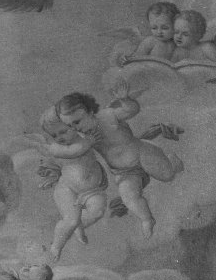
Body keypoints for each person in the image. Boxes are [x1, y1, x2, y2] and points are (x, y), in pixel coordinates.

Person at [55, 91, 183, 241]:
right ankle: (147, 219)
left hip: (142, 154)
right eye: (70, 125)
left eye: (77, 122)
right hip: (124, 171)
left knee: (168, 176)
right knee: (130, 198)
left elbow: (132, 110)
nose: (75, 128)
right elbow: (75, 154)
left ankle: (173, 161)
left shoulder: (108, 116)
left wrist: (125, 99)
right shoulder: (84, 138)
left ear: (89, 111)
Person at [36, 110, 109, 262]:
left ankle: (78, 227)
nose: (59, 137)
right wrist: (89, 142)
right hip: (67, 189)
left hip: (92, 189)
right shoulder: (56, 147)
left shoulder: (84, 137)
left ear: (73, 125)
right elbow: (74, 151)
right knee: (71, 220)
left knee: (97, 212)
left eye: (63, 131)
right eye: (54, 135)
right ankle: (57, 245)